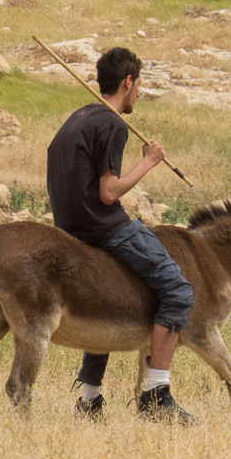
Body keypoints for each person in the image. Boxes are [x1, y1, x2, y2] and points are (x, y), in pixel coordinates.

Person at [46, 47, 195, 425]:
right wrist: (148, 162)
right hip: (103, 226)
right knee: (178, 291)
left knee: (110, 299)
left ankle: (90, 398)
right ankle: (157, 395)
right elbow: (109, 193)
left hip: (69, 227)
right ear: (128, 82)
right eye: (140, 85)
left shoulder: (76, 118)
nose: (139, 94)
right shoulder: (112, 124)